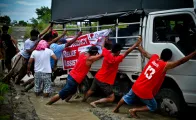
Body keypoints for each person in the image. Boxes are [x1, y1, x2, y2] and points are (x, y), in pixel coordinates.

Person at [113, 44, 196, 118]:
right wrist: (194, 53)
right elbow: (180, 61)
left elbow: (145, 53)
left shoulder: (154, 57)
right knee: (153, 106)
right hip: (144, 91)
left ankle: (116, 109)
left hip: (136, 84)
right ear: (169, 58)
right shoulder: (165, 65)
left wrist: (139, 46)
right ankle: (134, 110)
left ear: (161, 54)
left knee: (126, 97)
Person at [82, 36, 142, 108]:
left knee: (91, 90)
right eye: (119, 51)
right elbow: (127, 52)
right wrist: (136, 44)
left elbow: (102, 47)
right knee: (111, 98)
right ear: (117, 51)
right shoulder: (115, 60)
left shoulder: (106, 53)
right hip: (104, 80)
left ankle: (83, 100)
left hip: (98, 76)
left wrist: (104, 38)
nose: (120, 52)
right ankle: (94, 102)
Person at [46, 40, 107, 105]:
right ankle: (48, 104)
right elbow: (102, 55)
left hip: (71, 76)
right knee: (61, 94)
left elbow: (87, 53)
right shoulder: (89, 59)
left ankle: (67, 101)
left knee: (72, 92)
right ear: (94, 54)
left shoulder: (82, 54)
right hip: (74, 80)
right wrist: (103, 45)